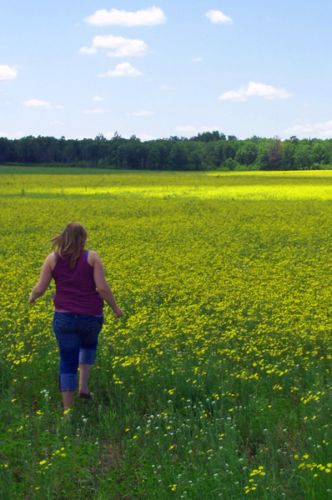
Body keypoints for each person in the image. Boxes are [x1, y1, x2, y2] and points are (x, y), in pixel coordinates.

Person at [29, 222, 123, 411]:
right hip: (91, 317)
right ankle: (83, 387)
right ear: (83, 239)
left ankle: (68, 412)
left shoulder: (52, 259)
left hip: (65, 319)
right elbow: (102, 288)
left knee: (67, 360)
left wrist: (32, 296)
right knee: (88, 346)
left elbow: (40, 288)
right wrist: (115, 308)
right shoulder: (92, 257)